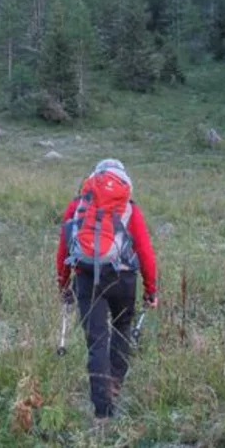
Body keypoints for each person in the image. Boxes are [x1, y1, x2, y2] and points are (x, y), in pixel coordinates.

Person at [56, 158, 158, 421]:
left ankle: (102, 412)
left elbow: (64, 247)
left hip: (86, 278)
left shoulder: (77, 206)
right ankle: (114, 383)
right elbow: (145, 252)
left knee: (96, 342)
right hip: (123, 279)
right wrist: (151, 289)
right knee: (123, 327)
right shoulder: (129, 209)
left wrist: (63, 283)